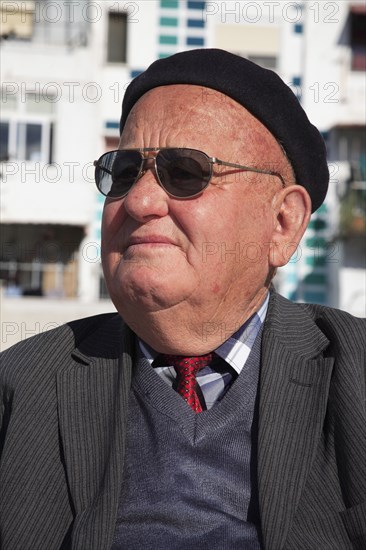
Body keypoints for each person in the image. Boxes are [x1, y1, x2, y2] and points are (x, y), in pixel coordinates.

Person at [0, 49, 365, 550]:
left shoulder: (356, 374)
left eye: (186, 172)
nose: (138, 200)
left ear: (282, 225)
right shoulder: (21, 386)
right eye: (123, 171)